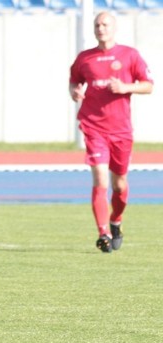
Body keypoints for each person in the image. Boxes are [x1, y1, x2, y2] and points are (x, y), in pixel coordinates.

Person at [69, 12, 153, 253]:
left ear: (114, 28)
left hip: (121, 131)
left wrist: (125, 87)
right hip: (93, 126)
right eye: (97, 24)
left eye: (105, 24)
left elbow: (148, 85)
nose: (100, 28)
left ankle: (116, 221)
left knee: (119, 185)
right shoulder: (85, 58)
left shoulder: (129, 55)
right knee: (101, 180)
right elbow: (74, 81)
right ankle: (103, 233)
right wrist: (75, 91)